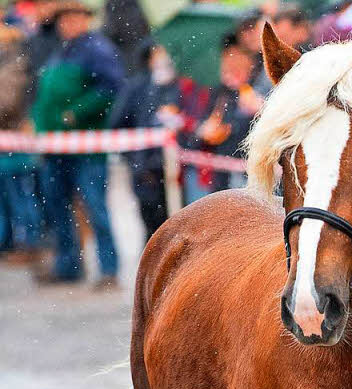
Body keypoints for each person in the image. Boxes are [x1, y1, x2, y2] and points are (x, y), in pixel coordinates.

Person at [31, 0, 123, 288]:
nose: (67, 24)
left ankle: (109, 269)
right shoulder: (60, 51)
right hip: (56, 147)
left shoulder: (97, 49)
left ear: (85, 19)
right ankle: (68, 266)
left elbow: (112, 89)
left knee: (95, 207)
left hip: (86, 147)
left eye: (74, 17)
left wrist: (75, 113)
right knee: (57, 206)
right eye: (63, 19)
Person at [108, 41, 191, 239]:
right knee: (152, 227)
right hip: (146, 171)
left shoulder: (183, 86)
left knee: (180, 225)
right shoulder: (137, 87)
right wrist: (134, 158)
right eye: (157, 54)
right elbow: (118, 123)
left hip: (178, 168)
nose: (163, 58)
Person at [183, 35, 259, 203]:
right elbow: (201, 130)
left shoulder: (252, 93)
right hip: (218, 171)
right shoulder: (218, 93)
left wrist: (230, 128)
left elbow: (244, 131)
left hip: (243, 171)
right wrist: (202, 131)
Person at [0, 23, 44, 264]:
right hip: (8, 143)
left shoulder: (16, 64)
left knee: (21, 196)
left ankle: (30, 243)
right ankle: (10, 243)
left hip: (15, 142)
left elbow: (7, 102)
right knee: (8, 198)